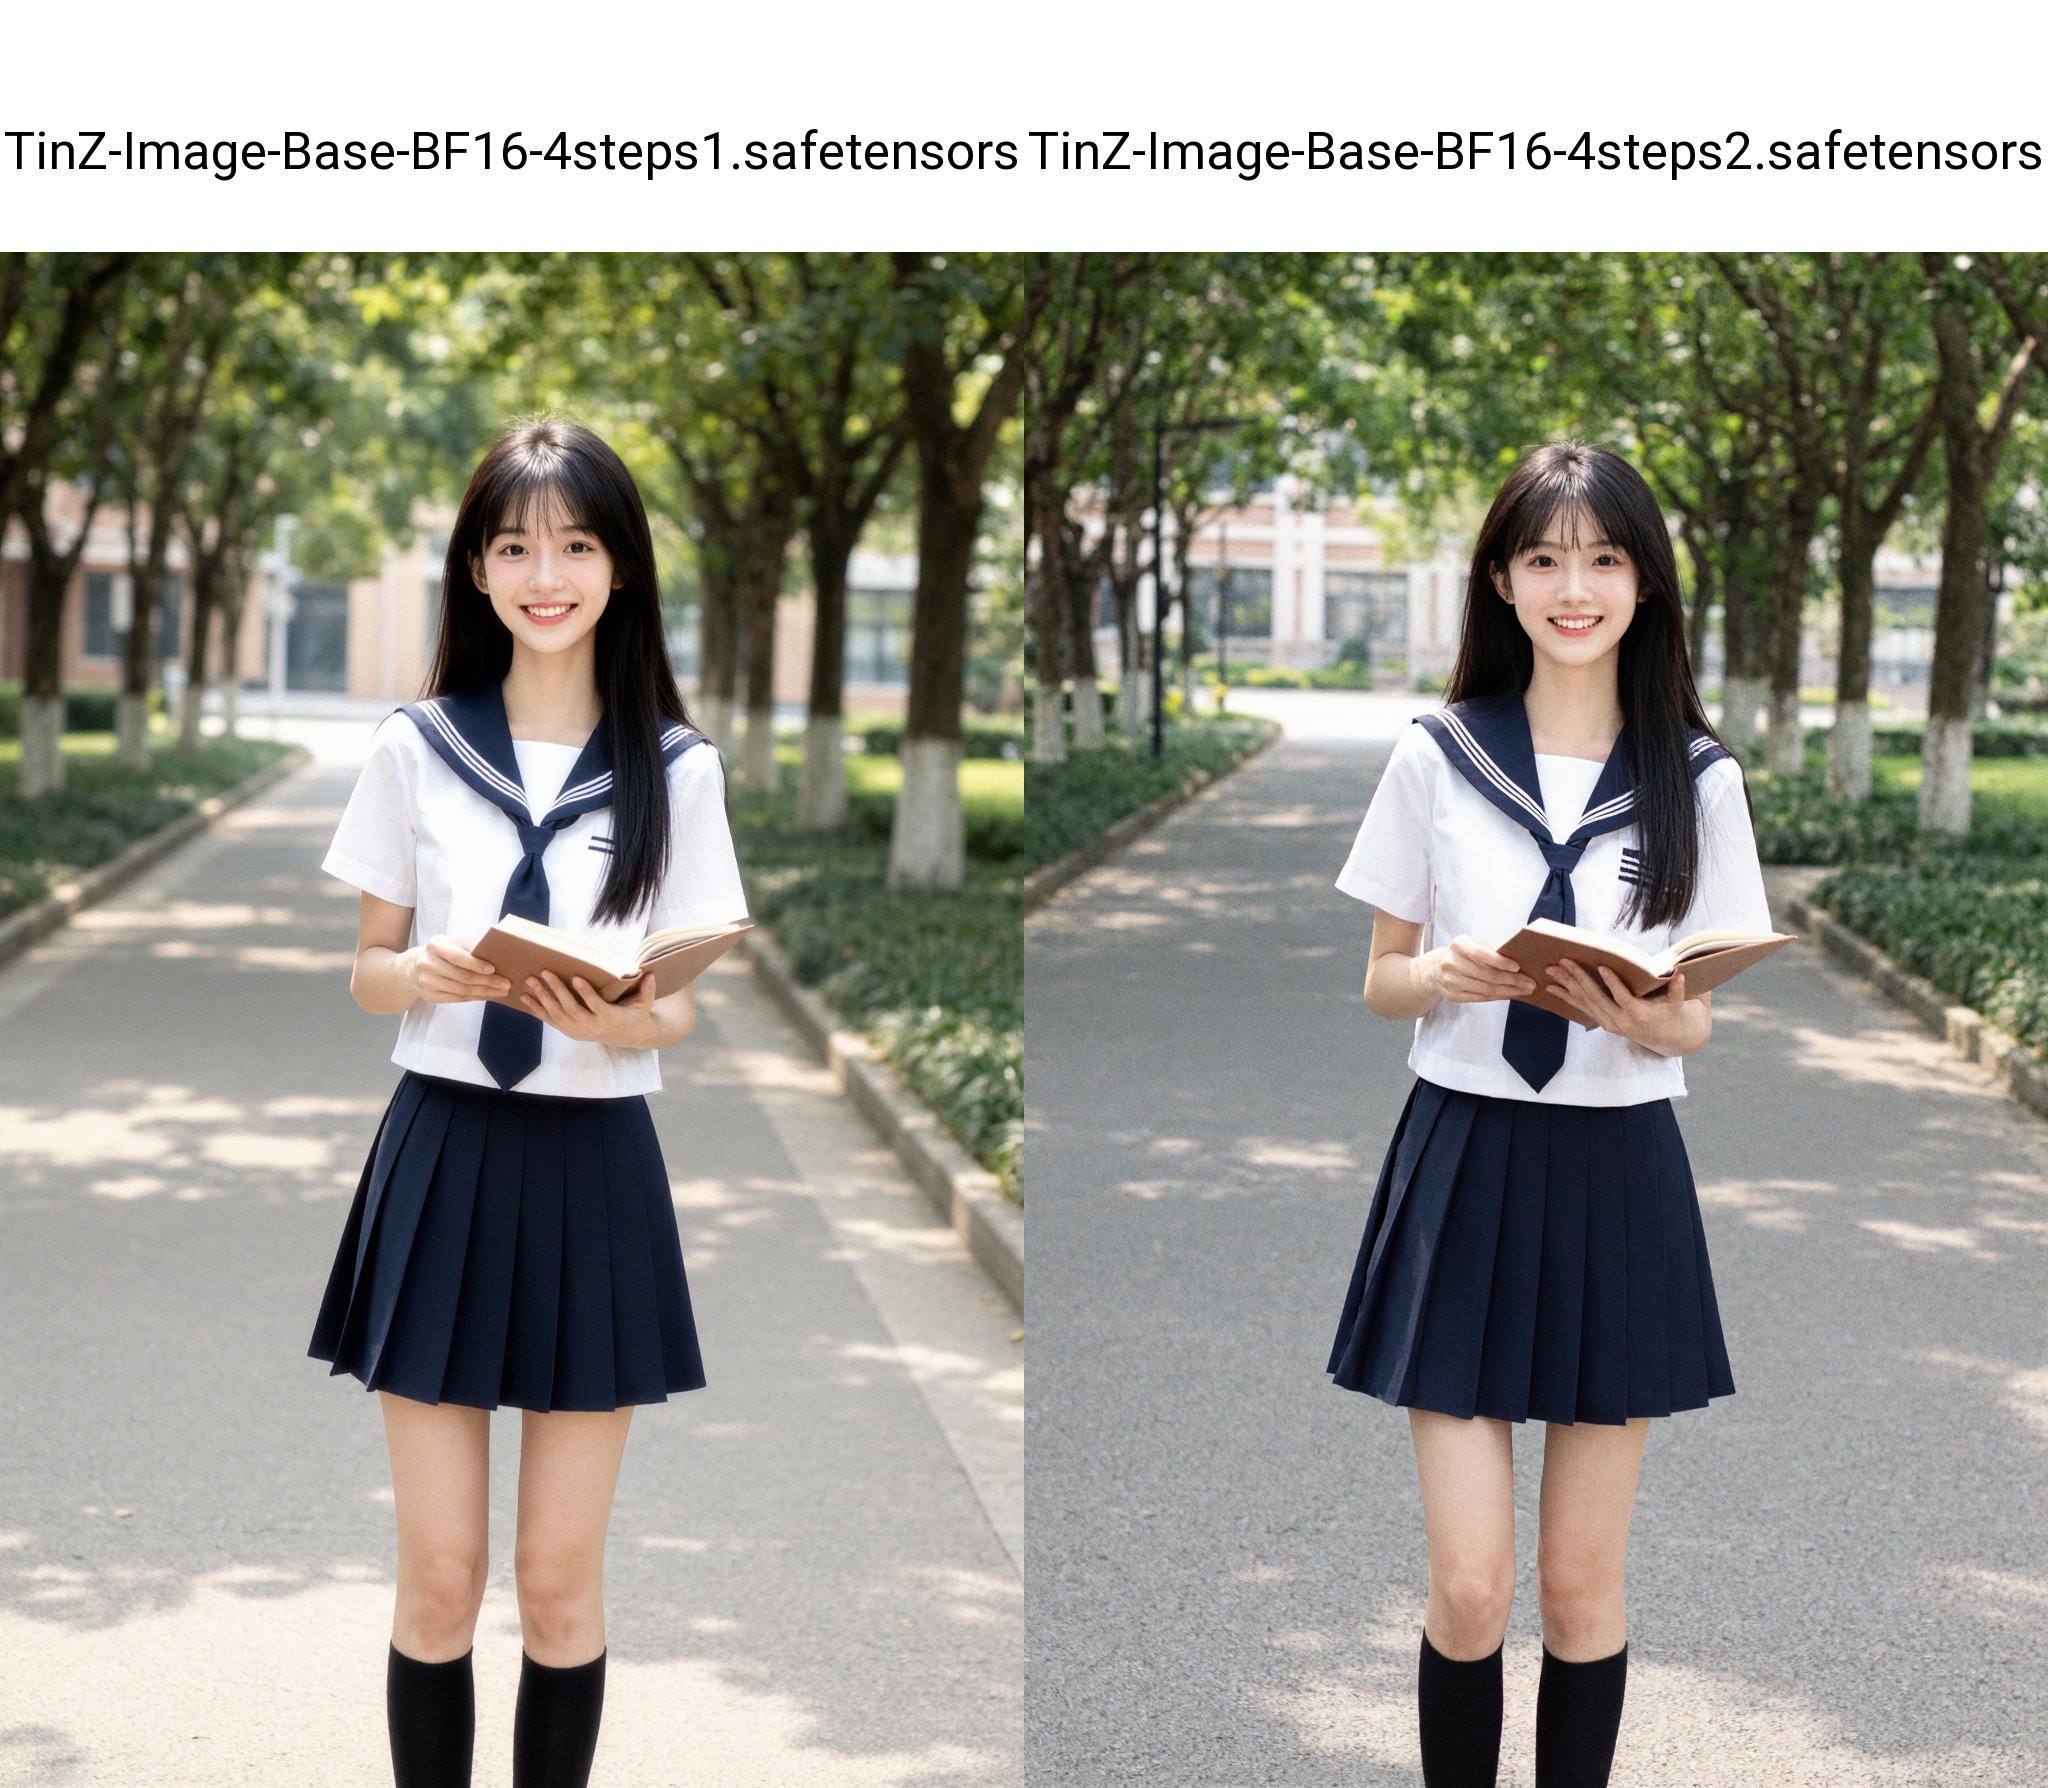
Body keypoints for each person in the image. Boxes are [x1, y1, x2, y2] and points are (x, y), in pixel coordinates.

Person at [307, 417, 747, 1788]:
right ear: (477, 573)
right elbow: (371, 976)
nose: (543, 573)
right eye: (514, 547)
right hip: (443, 1154)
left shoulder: (674, 767)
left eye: (573, 544)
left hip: (595, 1169)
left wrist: (625, 1014)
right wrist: (422, 966)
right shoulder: (420, 748)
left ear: (619, 568)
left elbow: (678, 1004)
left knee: (560, 1588)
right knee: (442, 1579)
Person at [1326, 442, 1774, 1787]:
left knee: (1582, 1593)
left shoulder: (1696, 777)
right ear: (1501, 582)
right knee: (1470, 1587)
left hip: (1619, 1172)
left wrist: (1649, 1017)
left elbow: (1697, 1011)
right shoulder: (1439, 756)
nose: (1574, 586)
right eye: (1544, 559)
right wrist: (1443, 974)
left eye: (1603, 558)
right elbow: (1379, 979)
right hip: (1463, 1158)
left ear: (1643, 582)